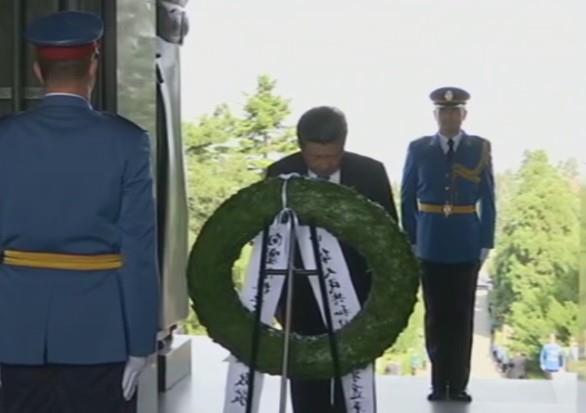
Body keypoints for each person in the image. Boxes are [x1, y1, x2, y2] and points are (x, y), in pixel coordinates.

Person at [0, 11, 159, 413]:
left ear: (38, 71)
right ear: (93, 66)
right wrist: (141, 341)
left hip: (15, 330)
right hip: (101, 334)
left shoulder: (5, 138)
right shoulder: (128, 141)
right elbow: (139, 250)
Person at [266, 106, 398, 412]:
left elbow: (390, 240)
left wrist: (380, 304)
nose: (325, 164)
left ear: (344, 143)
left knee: (352, 386)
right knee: (305, 384)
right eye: (316, 158)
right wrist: (278, 304)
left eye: (333, 156)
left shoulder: (371, 174)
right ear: (301, 148)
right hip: (300, 300)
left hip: (357, 298)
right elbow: (271, 244)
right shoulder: (280, 174)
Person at [401, 87, 496, 403]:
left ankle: (458, 385)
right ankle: (438, 382)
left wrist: (485, 241)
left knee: (462, 316)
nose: (449, 116)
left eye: (455, 111)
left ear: (464, 114)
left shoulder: (479, 148)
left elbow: (488, 198)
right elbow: (407, 196)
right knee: (435, 315)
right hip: (430, 242)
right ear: (435, 115)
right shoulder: (419, 149)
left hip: (466, 241)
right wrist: (412, 238)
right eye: (443, 111)